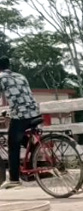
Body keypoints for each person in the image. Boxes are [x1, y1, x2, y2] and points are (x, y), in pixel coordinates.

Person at [0, 56, 41, 190]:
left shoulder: (1, 77)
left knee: (13, 144)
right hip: (34, 112)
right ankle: (37, 158)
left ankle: (14, 180)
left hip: (21, 115)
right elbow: (19, 96)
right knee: (22, 138)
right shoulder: (21, 76)